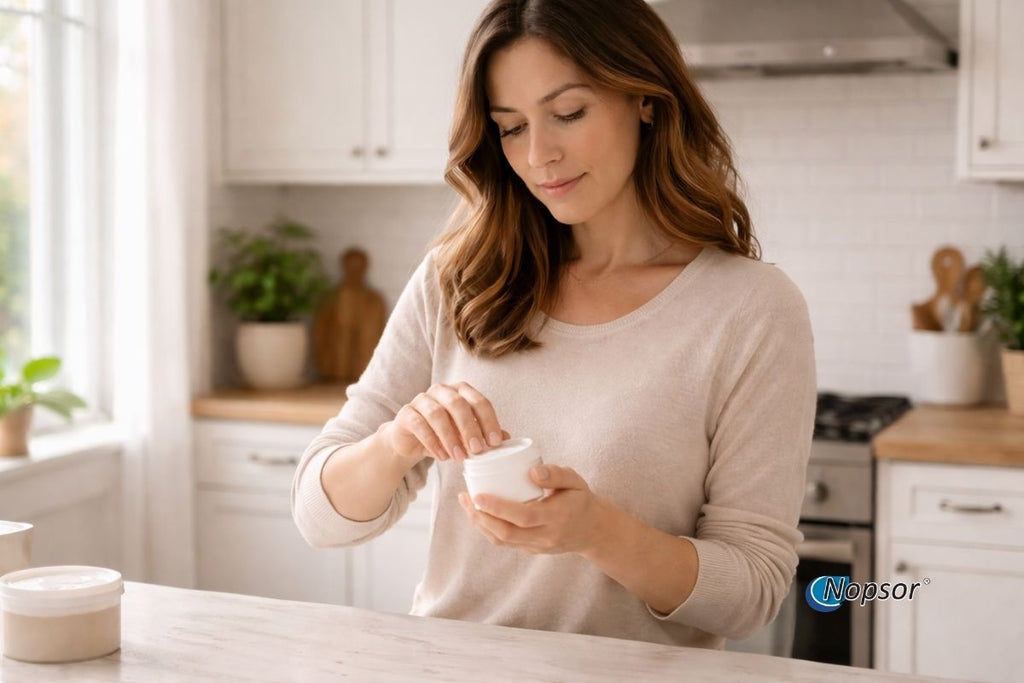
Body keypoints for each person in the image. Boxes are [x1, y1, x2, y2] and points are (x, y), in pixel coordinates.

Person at [292, 0, 816, 650]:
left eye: (568, 113)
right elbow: (319, 517)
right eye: (511, 128)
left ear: (645, 98)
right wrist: (398, 440)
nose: (539, 154)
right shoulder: (459, 279)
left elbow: (753, 589)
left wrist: (597, 531)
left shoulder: (751, 309)